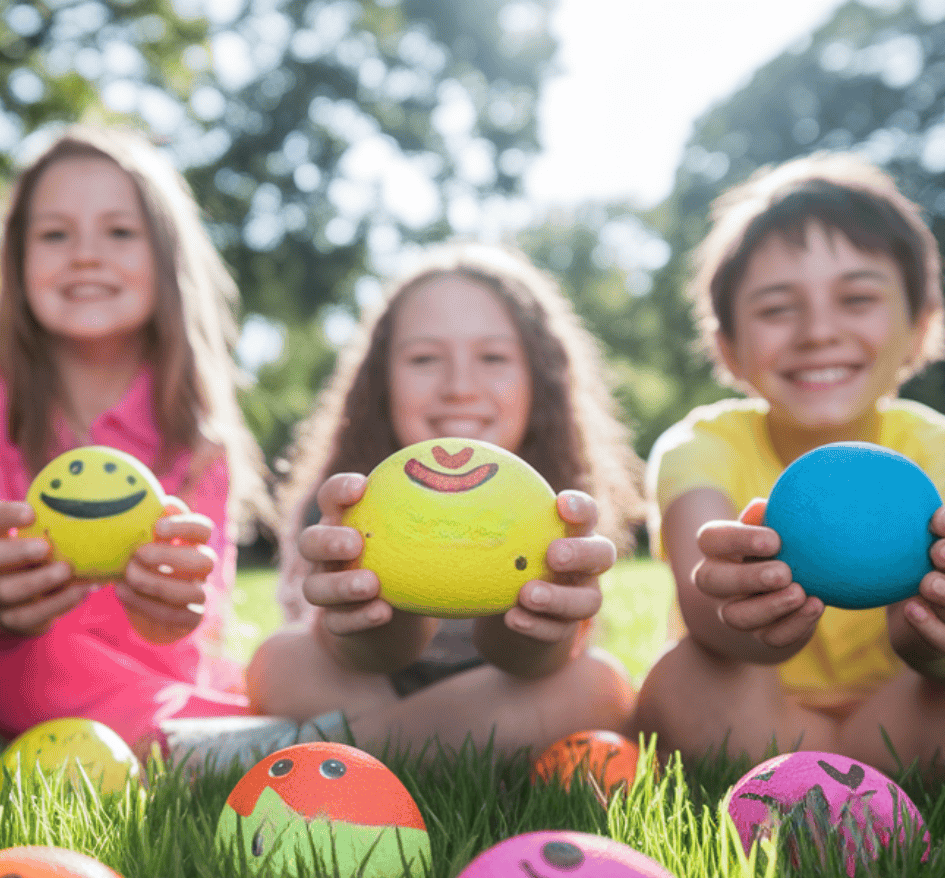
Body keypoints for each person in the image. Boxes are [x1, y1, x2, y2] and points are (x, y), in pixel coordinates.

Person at [631, 152, 945, 775]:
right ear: (728, 347)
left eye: (857, 298)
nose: (818, 331)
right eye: (776, 308)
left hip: (907, 712)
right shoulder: (700, 446)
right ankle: (851, 775)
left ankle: (832, 770)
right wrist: (757, 620)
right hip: (759, 715)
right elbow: (704, 610)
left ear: (921, 326)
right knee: (685, 683)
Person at [0, 126, 269, 754]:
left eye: (119, 232)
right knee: (40, 660)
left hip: (162, 676)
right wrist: (3, 597)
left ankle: (218, 740)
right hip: (18, 664)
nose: (86, 255)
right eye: (55, 234)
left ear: (165, 260)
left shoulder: (198, 434)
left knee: (273, 666)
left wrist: (174, 608)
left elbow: (202, 613)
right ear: (17, 259)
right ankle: (222, 748)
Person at [242, 244, 645, 757]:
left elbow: (534, 663)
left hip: (506, 690)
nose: (459, 387)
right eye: (425, 359)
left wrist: (538, 626)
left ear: (540, 381)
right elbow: (355, 654)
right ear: (380, 385)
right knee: (279, 661)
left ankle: (333, 753)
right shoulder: (344, 504)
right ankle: (453, 752)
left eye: (493, 357)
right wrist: (366, 612)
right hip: (364, 686)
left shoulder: (562, 505)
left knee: (598, 685)